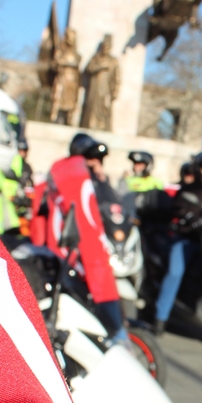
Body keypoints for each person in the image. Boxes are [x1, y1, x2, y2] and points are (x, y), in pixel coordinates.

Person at [35, 133, 129, 343]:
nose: (94, 163)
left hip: (98, 244)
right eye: (91, 159)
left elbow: (112, 205)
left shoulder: (96, 179)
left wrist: (102, 180)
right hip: (70, 247)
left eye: (98, 160)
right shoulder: (71, 173)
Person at [153, 148, 202, 335]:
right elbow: (179, 210)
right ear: (198, 169)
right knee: (175, 272)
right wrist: (191, 220)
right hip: (185, 241)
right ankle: (160, 318)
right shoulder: (186, 191)